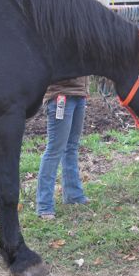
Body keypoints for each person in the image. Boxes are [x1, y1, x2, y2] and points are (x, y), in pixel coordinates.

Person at [36, 77, 90, 220]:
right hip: (60, 95)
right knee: (54, 150)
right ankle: (44, 205)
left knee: (71, 147)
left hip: (79, 94)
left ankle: (74, 195)